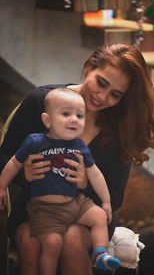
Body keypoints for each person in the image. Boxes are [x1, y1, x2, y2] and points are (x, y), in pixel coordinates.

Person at [0, 43, 154, 275]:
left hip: (90, 216)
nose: (102, 97)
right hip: (36, 208)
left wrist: (84, 181)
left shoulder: (120, 127)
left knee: (74, 239)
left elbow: (114, 197)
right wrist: (26, 170)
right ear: (88, 67)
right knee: (30, 242)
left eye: (115, 94)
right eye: (101, 83)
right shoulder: (41, 101)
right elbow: (4, 157)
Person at [0, 88, 121, 274]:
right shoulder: (35, 142)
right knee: (52, 244)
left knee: (98, 215)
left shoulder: (79, 146)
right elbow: (13, 164)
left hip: (75, 204)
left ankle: (100, 253)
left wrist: (105, 201)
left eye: (80, 116)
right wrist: (1, 187)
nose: (74, 119)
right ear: (47, 120)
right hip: (46, 209)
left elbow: (96, 174)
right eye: (66, 114)